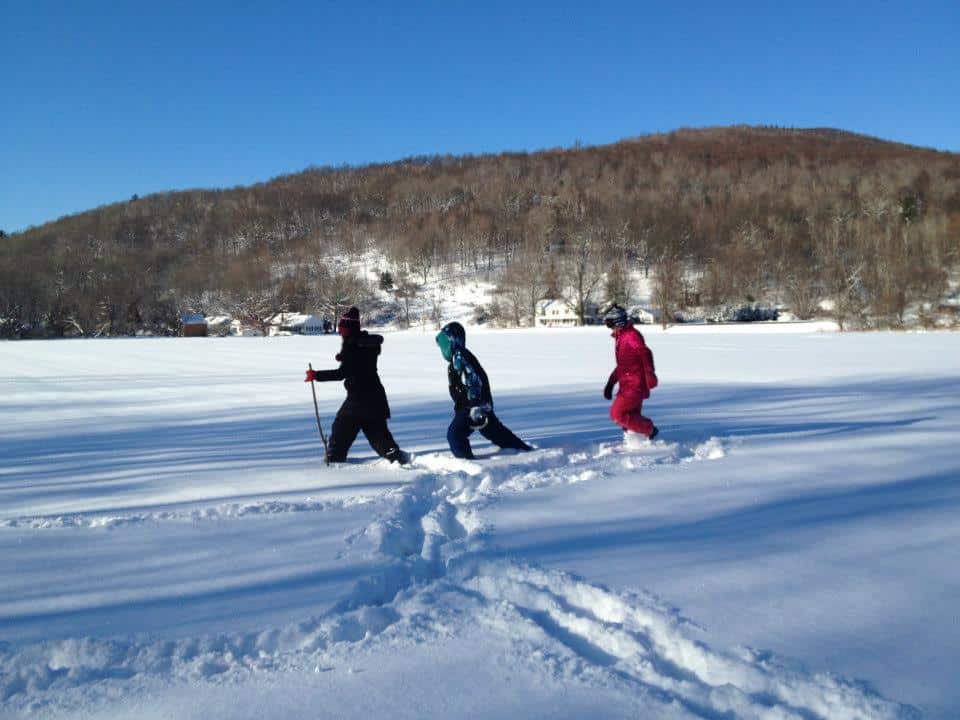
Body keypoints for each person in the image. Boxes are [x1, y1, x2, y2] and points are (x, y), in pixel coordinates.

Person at [305, 307, 408, 464]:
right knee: (376, 432)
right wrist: (345, 358)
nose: (339, 332)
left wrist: (316, 375)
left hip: (358, 399)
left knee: (341, 427)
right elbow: (360, 361)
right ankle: (394, 456)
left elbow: (342, 373)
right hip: (375, 397)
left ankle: (334, 458)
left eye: (342, 328)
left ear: (349, 328)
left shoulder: (352, 346)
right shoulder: (364, 343)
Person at [435, 321, 533, 459]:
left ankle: (465, 462)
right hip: (477, 404)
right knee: (494, 431)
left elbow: (472, 380)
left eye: (444, 345)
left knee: (455, 434)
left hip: (472, 406)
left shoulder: (460, 358)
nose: (442, 349)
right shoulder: (458, 357)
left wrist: (475, 405)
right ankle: (522, 449)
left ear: (452, 341)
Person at [603, 305, 659, 440]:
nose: (610, 328)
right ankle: (637, 441)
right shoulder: (621, 337)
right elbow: (623, 364)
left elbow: (645, 353)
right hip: (627, 383)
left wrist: (649, 374)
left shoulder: (631, 336)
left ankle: (649, 430)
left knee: (617, 414)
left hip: (634, 384)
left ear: (618, 322)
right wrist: (611, 383)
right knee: (631, 416)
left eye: (610, 324)